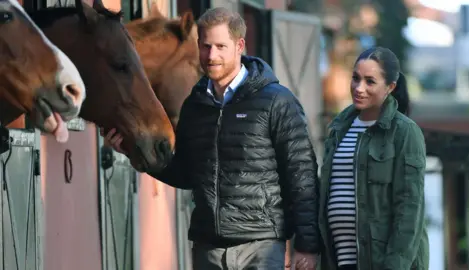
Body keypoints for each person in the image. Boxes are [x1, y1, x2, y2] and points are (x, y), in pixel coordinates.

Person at [101, 7, 320, 270]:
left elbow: (301, 175)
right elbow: (185, 173)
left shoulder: (277, 101)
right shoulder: (195, 105)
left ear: (240, 46)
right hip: (208, 248)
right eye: (205, 47)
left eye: (220, 46)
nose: (211, 56)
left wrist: (306, 245)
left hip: (261, 248)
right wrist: (133, 152)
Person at [316, 46, 429, 270]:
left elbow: (409, 209)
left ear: (390, 87)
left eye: (370, 81)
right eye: (356, 79)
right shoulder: (339, 129)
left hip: (382, 262)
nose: (359, 88)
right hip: (340, 259)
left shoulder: (405, 132)